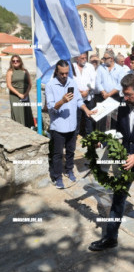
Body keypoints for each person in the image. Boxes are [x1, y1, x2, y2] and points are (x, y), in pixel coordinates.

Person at [88, 74, 134, 251]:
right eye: (124, 94)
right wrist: (103, 141)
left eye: (129, 94)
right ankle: (111, 237)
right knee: (118, 199)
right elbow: (119, 133)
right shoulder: (123, 108)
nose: (125, 98)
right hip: (125, 162)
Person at [45, 60, 95, 189]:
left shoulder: (72, 82)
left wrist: (86, 110)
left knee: (71, 151)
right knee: (57, 154)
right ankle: (57, 177)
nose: (64, 76)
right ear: (57, 71)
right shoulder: (50, 85)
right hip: (58, 126)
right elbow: (50, 107)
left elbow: (79, 100)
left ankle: (69, 170)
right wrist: (62, 101)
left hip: (72, 125)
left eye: (67, 73)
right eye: (62, 74)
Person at [6, 55, 34, 128]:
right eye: (13, 61)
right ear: (11, 62)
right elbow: (9, 85)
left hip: (25, 95)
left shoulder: (25, 71)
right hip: (15, 96)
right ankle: (18, 128)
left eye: (17, 60)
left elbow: (30, 84)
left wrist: (26, 93)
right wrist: (19, 94)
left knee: (26, 112)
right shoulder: (10, 72)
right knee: (17, 113)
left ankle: (29, 128)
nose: (15, 62)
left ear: (20, 62)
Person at [73, 53, 96, 136]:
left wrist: (87, 90)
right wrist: (77, 91)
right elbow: (71, 81)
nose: (84, 60)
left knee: (89, 117)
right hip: (76, 97)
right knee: (76, 117)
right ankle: (74, 136)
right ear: (77, 58)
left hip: (88, 96)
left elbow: (93, 81)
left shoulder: (90, 67)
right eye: (82, 58)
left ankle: (89, 137)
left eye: (85, 58)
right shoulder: (72, 67)